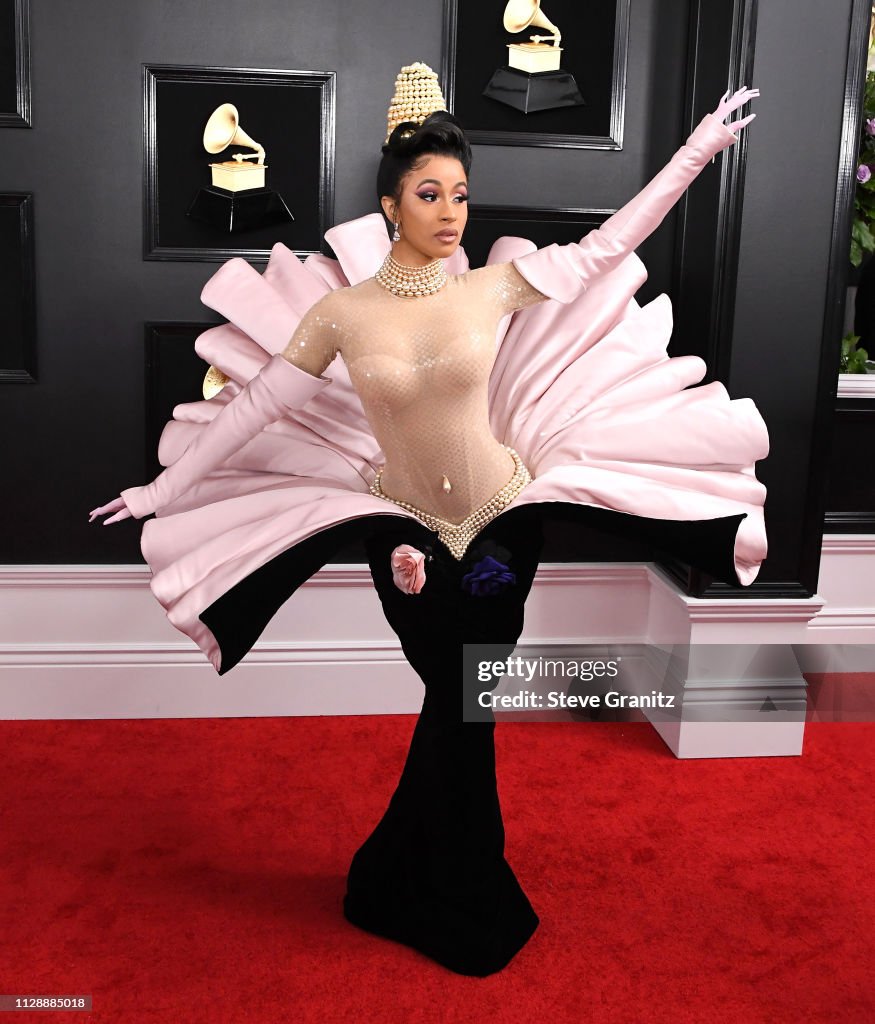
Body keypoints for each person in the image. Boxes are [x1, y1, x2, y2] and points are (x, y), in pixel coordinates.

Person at [89, 64, 765, 976]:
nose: (451, 213)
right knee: (457, 700)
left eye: (460, 194)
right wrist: (162, 494)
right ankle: (412, 881)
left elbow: (609, 245)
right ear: (389, 204)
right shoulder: (340, 316)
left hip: (501, 525)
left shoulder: (490, 290)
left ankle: (431, 887)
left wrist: (697, 150)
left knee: (464, 701)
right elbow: (254, 411)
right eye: (429, 193)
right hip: (400, 530)